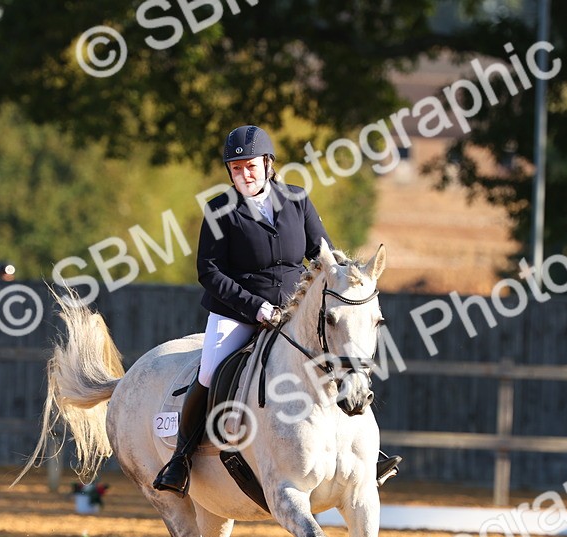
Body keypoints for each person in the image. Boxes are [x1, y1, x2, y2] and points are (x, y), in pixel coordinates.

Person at [153, 125, 401, 495]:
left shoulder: (297, 200)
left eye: (250, 166)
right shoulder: (221, 210)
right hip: (238, 310)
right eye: (235, 168)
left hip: (296, 310)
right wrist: (255, 308)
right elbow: (209, 271)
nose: (243, 174)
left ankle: (367, 455)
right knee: (208, 372)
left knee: (341, 358)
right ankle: (181, 459)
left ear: (268, 164)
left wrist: (342, 284)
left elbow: (324, 257)